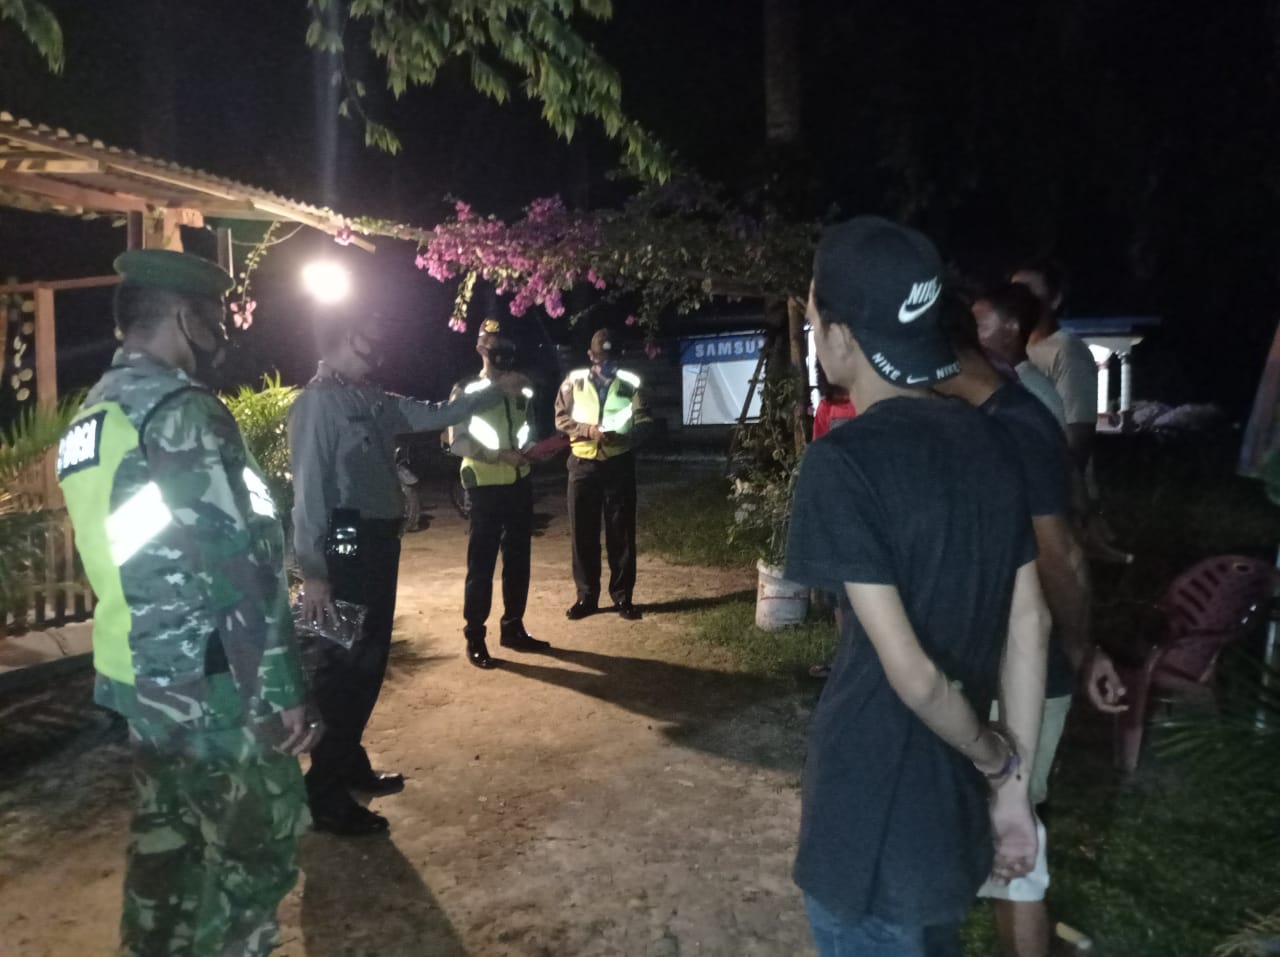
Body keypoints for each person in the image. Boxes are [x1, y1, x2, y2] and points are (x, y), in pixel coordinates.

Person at [786, 216, 1051, 957]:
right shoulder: (993, 440)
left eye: (814, 314)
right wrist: (1011, 794)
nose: (813, 329)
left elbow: (915, 677)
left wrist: (995, 757)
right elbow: (1029, 625)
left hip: (866, 820)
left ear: (843, 336)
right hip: (948, 818)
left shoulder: (843, 464)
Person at [57, 249, 317, 956]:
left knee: (166, 859)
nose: (222, 333)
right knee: (253, 856)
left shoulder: (92, 416)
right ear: (183, 317)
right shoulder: (180, 410)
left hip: (141, 679)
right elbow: (236, 561)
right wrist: (280, 690)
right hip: (212, 683)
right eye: (214, 318)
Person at [936, 296, 1128, 957]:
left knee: (1013, 848)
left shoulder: (1016, 420)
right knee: (1003, 841)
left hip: (1025, 666)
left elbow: (1062, 556)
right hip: (992, 661)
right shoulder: (980, 418)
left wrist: (1079, 648)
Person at [289, 308, 525, 835]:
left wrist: (493, 389)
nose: (378, 353)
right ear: (343, 337)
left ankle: (347, 764)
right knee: (343, 672)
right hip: (345, 553)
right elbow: (309, 494)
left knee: (367, 665)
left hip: (378, 546)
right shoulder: (316, 405)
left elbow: (438, 414)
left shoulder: (371, 398)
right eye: (369, 342)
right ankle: (324, 795)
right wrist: (314, 571)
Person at [446, 316, 550, 669]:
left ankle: (513, 627)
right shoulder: (466, 390)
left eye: (507, 348)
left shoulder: (522, 388)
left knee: (518, 562)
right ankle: (475, 637)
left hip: (520, 482)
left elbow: (528, 429)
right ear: (481, 348)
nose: (502, 354)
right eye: (495, 347)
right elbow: (457, 441)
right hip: (484, 487)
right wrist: (499, 456)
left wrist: (535, 450)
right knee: (482, 565)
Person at [554, 328, 653, 621]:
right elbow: (560, 418)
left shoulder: (631, 383)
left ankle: (622, 597)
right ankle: (586, 597)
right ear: (590, 356)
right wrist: (587, 431)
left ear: (618, 357)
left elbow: (645, 420)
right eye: (600, 359)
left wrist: (625, 436)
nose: (605, 364)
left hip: (618, 462)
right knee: (582, 533)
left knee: (621, 533)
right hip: (582, 464)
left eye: (610, 359)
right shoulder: (574, 381)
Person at [1010, 261, 1096, 473]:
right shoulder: (1013, 347)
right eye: (1013, 292)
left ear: (1055, 299)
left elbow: (1079, 435)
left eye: (1028, 292)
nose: (1018, 301)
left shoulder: (1067, 350)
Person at [972, 283, 1066, 428]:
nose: (970, 334)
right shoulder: (1013, 383)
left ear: (1011, 329)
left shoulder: (1034, 392)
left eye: (978, 326)